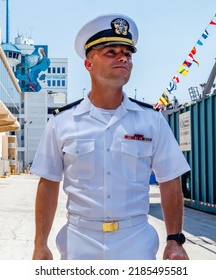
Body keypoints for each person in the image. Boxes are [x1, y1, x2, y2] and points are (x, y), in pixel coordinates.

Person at [31, 13, 191, 260]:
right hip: (78, 243)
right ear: (88, 64)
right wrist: (40, 244)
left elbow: (170, 180)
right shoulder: (62, 121)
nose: (122, 58)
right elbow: (49, 183)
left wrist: (174, 240)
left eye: (127, 54)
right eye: (111, 52)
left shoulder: (151, 121)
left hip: (135, 241)